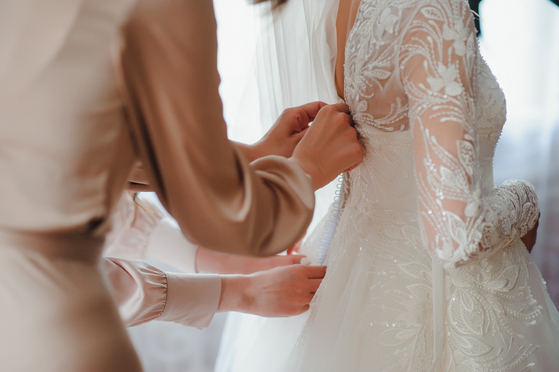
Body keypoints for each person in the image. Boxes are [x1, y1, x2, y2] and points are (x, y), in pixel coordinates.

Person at [0, 0, 363, 371]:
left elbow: (64, 154)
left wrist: (252, 156)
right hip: (60, 339)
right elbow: (233, 219)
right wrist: (307, 169)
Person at [215, 0, 559, 371]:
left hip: (354, 280)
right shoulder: (430, 10)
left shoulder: (343, 7)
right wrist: (525, 201)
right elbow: (455, 233)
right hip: (446, 299)